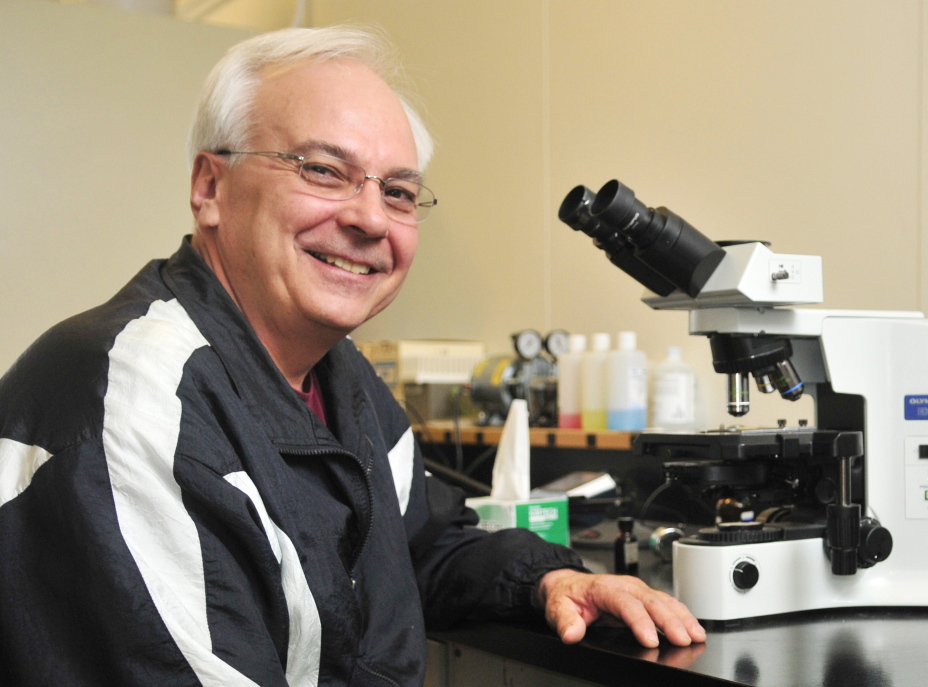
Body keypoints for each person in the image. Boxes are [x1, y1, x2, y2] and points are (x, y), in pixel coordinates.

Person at [0, 26, 704, 686]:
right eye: (324, 170)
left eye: (397, 191)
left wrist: (551, 580)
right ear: (210, 188)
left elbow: (416, 545)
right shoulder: (139, 394)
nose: (370, 218)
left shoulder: (337, 378)